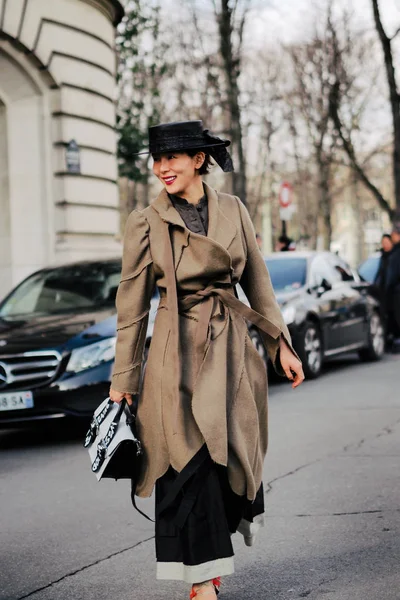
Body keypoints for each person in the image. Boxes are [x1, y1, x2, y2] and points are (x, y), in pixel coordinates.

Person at [109, 120, 304, 599]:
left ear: (199, 160)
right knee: (182, 462)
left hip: (232, 347)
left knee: (225, 458)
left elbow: (258, 281)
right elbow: (131, 306)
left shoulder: (234, 210)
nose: (162, 168)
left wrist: (283, 344)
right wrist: (123, 377)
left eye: (172, 158)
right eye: (157, 160)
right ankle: (199, 581)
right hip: (176, 355)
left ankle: (209, 569)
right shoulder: (146, 220)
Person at [373, 234, 393, 331]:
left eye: (387, 242)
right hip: (383, 290)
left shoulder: (395, 255)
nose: (385, 245)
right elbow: (380, 273)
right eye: (383, 242)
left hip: (394, 290)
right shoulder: (382, 257)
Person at [385, 223, 400, 350]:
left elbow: (393, 274)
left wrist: (389, 287)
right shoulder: (393, 252)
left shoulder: (396, 253)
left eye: (393, 235)